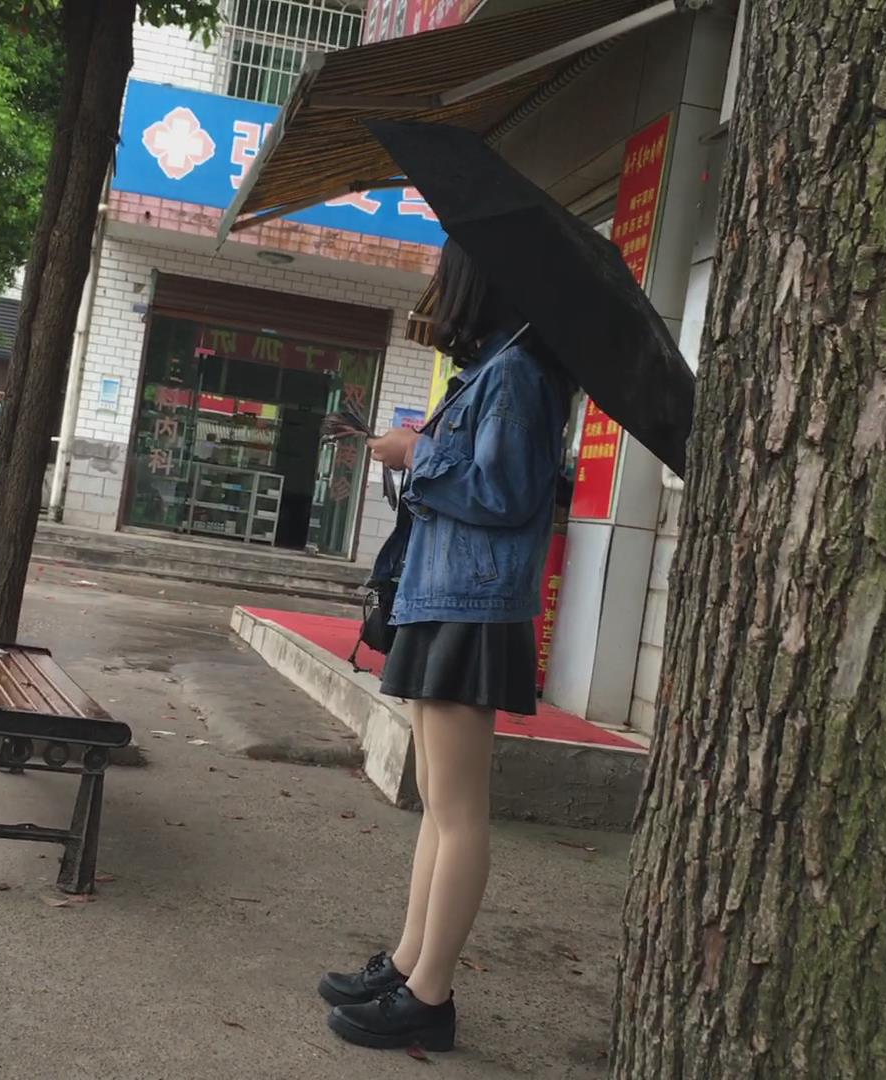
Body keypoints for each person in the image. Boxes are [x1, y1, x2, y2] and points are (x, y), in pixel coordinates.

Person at [318, 240, 572, 1054]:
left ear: (474, 282)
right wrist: (419, 449)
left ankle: (430, 994)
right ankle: (407, 965)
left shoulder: (518, 373)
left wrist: (416, 453)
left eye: (443, 274)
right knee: (437, 803)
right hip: (443, 597)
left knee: (459, 813)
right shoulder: (493, 369)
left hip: (475, 607)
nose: (434, 289)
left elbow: (506, 493)